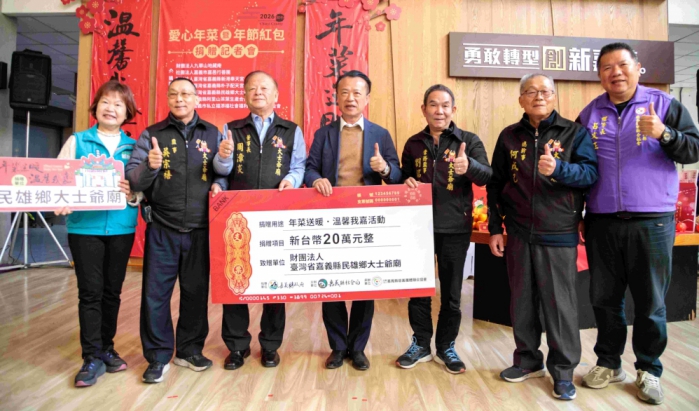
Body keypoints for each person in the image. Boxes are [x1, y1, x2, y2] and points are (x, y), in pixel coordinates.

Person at [577, 42, 699, 405]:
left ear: (637, 68)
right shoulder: (589, 114)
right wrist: (580, 214)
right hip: (602, 220)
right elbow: (582, 168)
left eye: (622, 65)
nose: (615, 72)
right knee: (604, 298)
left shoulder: (664, 105)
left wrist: (665, 134)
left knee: (651, 301)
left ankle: (649, 369)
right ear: (599, 75)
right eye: (607, 67)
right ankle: (609, 363)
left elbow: (694, 148)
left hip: (652, 220)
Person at [486, 74, 598, 400]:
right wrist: (495, 228)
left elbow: (591, 174)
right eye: (531, 92)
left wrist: (559, 170)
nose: (539, 97)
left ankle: (562, 372)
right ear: (521, 99)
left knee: (560, 305)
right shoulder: (509, 136)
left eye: (545, 91)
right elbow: (496, 184)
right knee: (521, 301)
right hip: (519, 231)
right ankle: (527, 361)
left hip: (559, 231)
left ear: (554, 96)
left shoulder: (574, 133)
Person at [126, 77, 228, 383]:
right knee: (155, 295)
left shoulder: (213, 133)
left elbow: (224, 173)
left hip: (200, 228)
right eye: (173, 94)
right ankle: (158, 356)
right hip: (162, 227)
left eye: (185, 94)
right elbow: (133, 179)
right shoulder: (152, 134)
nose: (179, 99)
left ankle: (189, 350)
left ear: (197, 99)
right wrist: (151, 165)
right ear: (168, 100)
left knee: (195, 293)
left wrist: (220, 183)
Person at [305, 70, 401, 371]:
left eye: (357, 92)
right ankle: (337, 347)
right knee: (330, 284)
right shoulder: (323, 134)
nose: (351, 98)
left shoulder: (380, 134)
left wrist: (384, 168)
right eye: (345, 92)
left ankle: (357, 348)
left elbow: (397, 175)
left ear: (367, 98)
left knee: (364, 285)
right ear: (336, 97)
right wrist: (316, 179)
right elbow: (309, 169)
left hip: (366, 220)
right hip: (330, 219)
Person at [212, 71, 306, 370]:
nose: (258, 92)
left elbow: (299, 166)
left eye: (264, 87)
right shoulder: (231, 129)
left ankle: (270, 345)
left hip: (276, 216)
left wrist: (292, 181)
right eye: (251, 88)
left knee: (274, 281)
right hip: (237, 218)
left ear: (276, 95)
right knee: (236, 279)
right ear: (244, 95)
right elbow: (222, 171)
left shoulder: (291, 130)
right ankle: (237, 346)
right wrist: (221, 165)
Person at [395, 84, 491, 374]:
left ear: (453, 109)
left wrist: (468, 166)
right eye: (433, 105)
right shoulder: (413, 143)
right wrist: (404, 180)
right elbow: (404, 177)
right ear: (424, 109)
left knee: (451, 293)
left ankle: (446, 346)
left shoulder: (468, 140)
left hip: (455, 228)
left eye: (445, 105)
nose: (439, 111)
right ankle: (421, 344)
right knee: (419, 291)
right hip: (419, 227)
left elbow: (487, 175)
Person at [57, 80, 140, 387]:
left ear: (127, 113)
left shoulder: (134, 147)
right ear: (96, 107)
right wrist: (60, 199)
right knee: (90, 292)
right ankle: (91, 356)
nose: (111, 108)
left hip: (120, 228)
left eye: (118, 104)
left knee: (112, 292)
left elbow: (142, 191)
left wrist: (133, 193)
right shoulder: (77, 141)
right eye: (106, 102)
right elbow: (57, 179)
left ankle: (107, 348)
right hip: (85, 228)